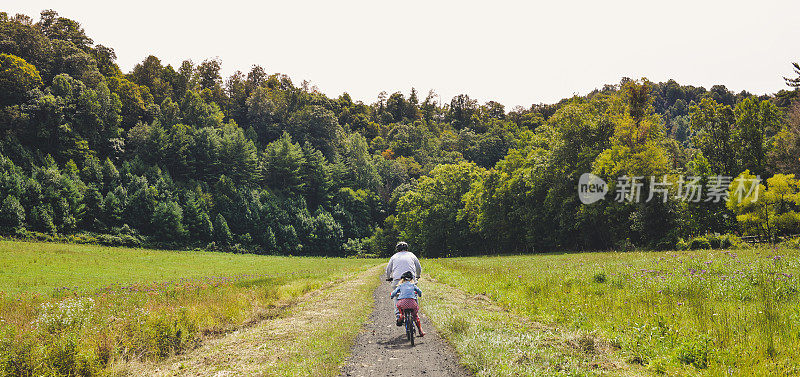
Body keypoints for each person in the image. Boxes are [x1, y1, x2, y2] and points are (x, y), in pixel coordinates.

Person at [384, 241, 422, 320]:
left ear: (397, 249)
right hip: (411, 279)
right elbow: (418, 267)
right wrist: (418, 276)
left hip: (398, 280)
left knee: (397, 296)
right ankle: (415, 313)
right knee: (414, 295)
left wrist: (388, 277)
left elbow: (388, 269)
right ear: (407, 248)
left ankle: (398, 315)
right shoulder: (412, 255)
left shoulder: (394, 256)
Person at [390, 271, 425, 336]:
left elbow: (394, 293)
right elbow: (419, 291)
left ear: (402, 279)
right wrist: (419, 295)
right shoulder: (413, 285)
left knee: (398, 305)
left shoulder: (400, 285)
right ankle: (420, 331)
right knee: (415, 316)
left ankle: (401, 316)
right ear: (411, 279)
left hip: (402, 303)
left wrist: (392, 296)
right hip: (412, 303)